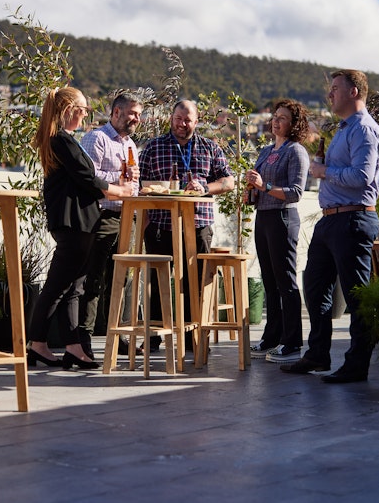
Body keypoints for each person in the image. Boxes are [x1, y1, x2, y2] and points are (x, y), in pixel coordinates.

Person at [280, 69, 379, 383]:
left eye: (336, 88)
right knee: (314, 287)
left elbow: (362, 177)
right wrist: (326, 169)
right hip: (332, 220)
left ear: (354, 92)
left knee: (357, 298)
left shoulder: (364, 129)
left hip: (352, 219)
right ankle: (318, 354)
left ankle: (357, 365)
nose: (330, 95)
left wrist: (324, 171)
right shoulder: (344, 129)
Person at [27, 87, 134, 370]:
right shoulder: (61, 140)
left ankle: (73, 347)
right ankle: (37, 342)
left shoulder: (61, 140)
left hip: (77, 221)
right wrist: (119, 191)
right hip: (73, 221)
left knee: (72, 286)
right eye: (83, 109)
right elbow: (88, 178)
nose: (85, 114)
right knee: (58, 286)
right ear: (68, 109)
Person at [137, 99, 235, 352]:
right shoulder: (153, 147)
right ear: (171, 118)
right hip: (160, 224)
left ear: (197, 120)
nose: (182, 124)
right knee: (157, 283)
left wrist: (205, 188)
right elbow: (140, 186)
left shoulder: (209, 147)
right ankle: (154, 336)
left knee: (196, 282)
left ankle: (194, 337)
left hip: (199, 224)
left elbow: (228, 182)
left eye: (188, 120)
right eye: (178, 119)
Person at [244, 99, 310, 364]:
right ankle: (272, 336)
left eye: (283, 118)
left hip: (283, 218)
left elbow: (295, 192)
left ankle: (292, 341)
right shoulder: (267, 150)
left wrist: (264, 184)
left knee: (285, 282)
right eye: (275, 116)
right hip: (264, 216)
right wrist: (251, 189)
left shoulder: (296, 152)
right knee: (269, 280)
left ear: (294, 124)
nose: (276, 121)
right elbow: (260, 186)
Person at [78, 92, 143, 358]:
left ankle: (120, 338)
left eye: (139, 115)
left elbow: (133, 185)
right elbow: (88, 177)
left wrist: (133, 185)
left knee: (124, 282)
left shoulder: (131, 145)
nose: (136, 119)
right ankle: (83, 341)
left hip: (127, 218)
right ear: (116, 112)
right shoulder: (97, 138)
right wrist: (120, 177)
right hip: (102, 217)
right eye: (132, 113)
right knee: (93, 280)